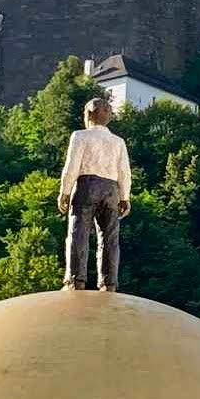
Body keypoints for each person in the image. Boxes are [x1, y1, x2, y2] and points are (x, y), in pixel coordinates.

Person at [57, 97, 131, 292]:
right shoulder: (118, 142)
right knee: (110, 238)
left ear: (88, 114)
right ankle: (109, 283)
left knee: (79, 233)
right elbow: (124, 171)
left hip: (87, 185)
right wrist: (125, 197)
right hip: (111, 190)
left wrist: (64, 191)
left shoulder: (80, 136)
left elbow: (72, 166)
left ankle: (76, 281)